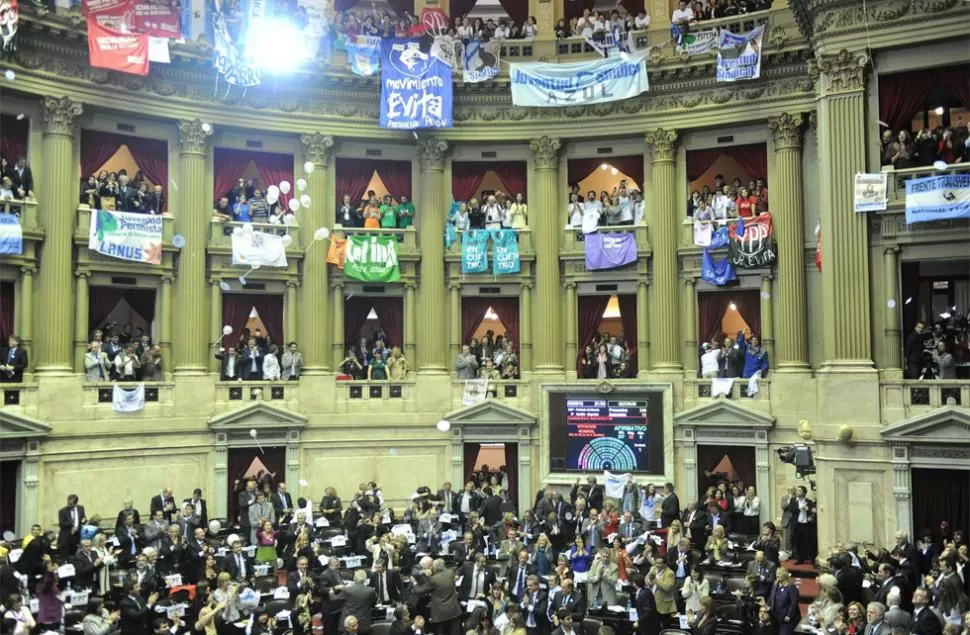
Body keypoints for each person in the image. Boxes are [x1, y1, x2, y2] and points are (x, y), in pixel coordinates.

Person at [770, 568, 800, 635]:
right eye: (777, 573)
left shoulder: (791, 587)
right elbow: (771, 598)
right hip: (775, 616)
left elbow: (794, 602)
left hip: (786, 619)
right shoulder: (775, 585)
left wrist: (789, 615)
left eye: (780, 573)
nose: (777, 575)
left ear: (785, 575)